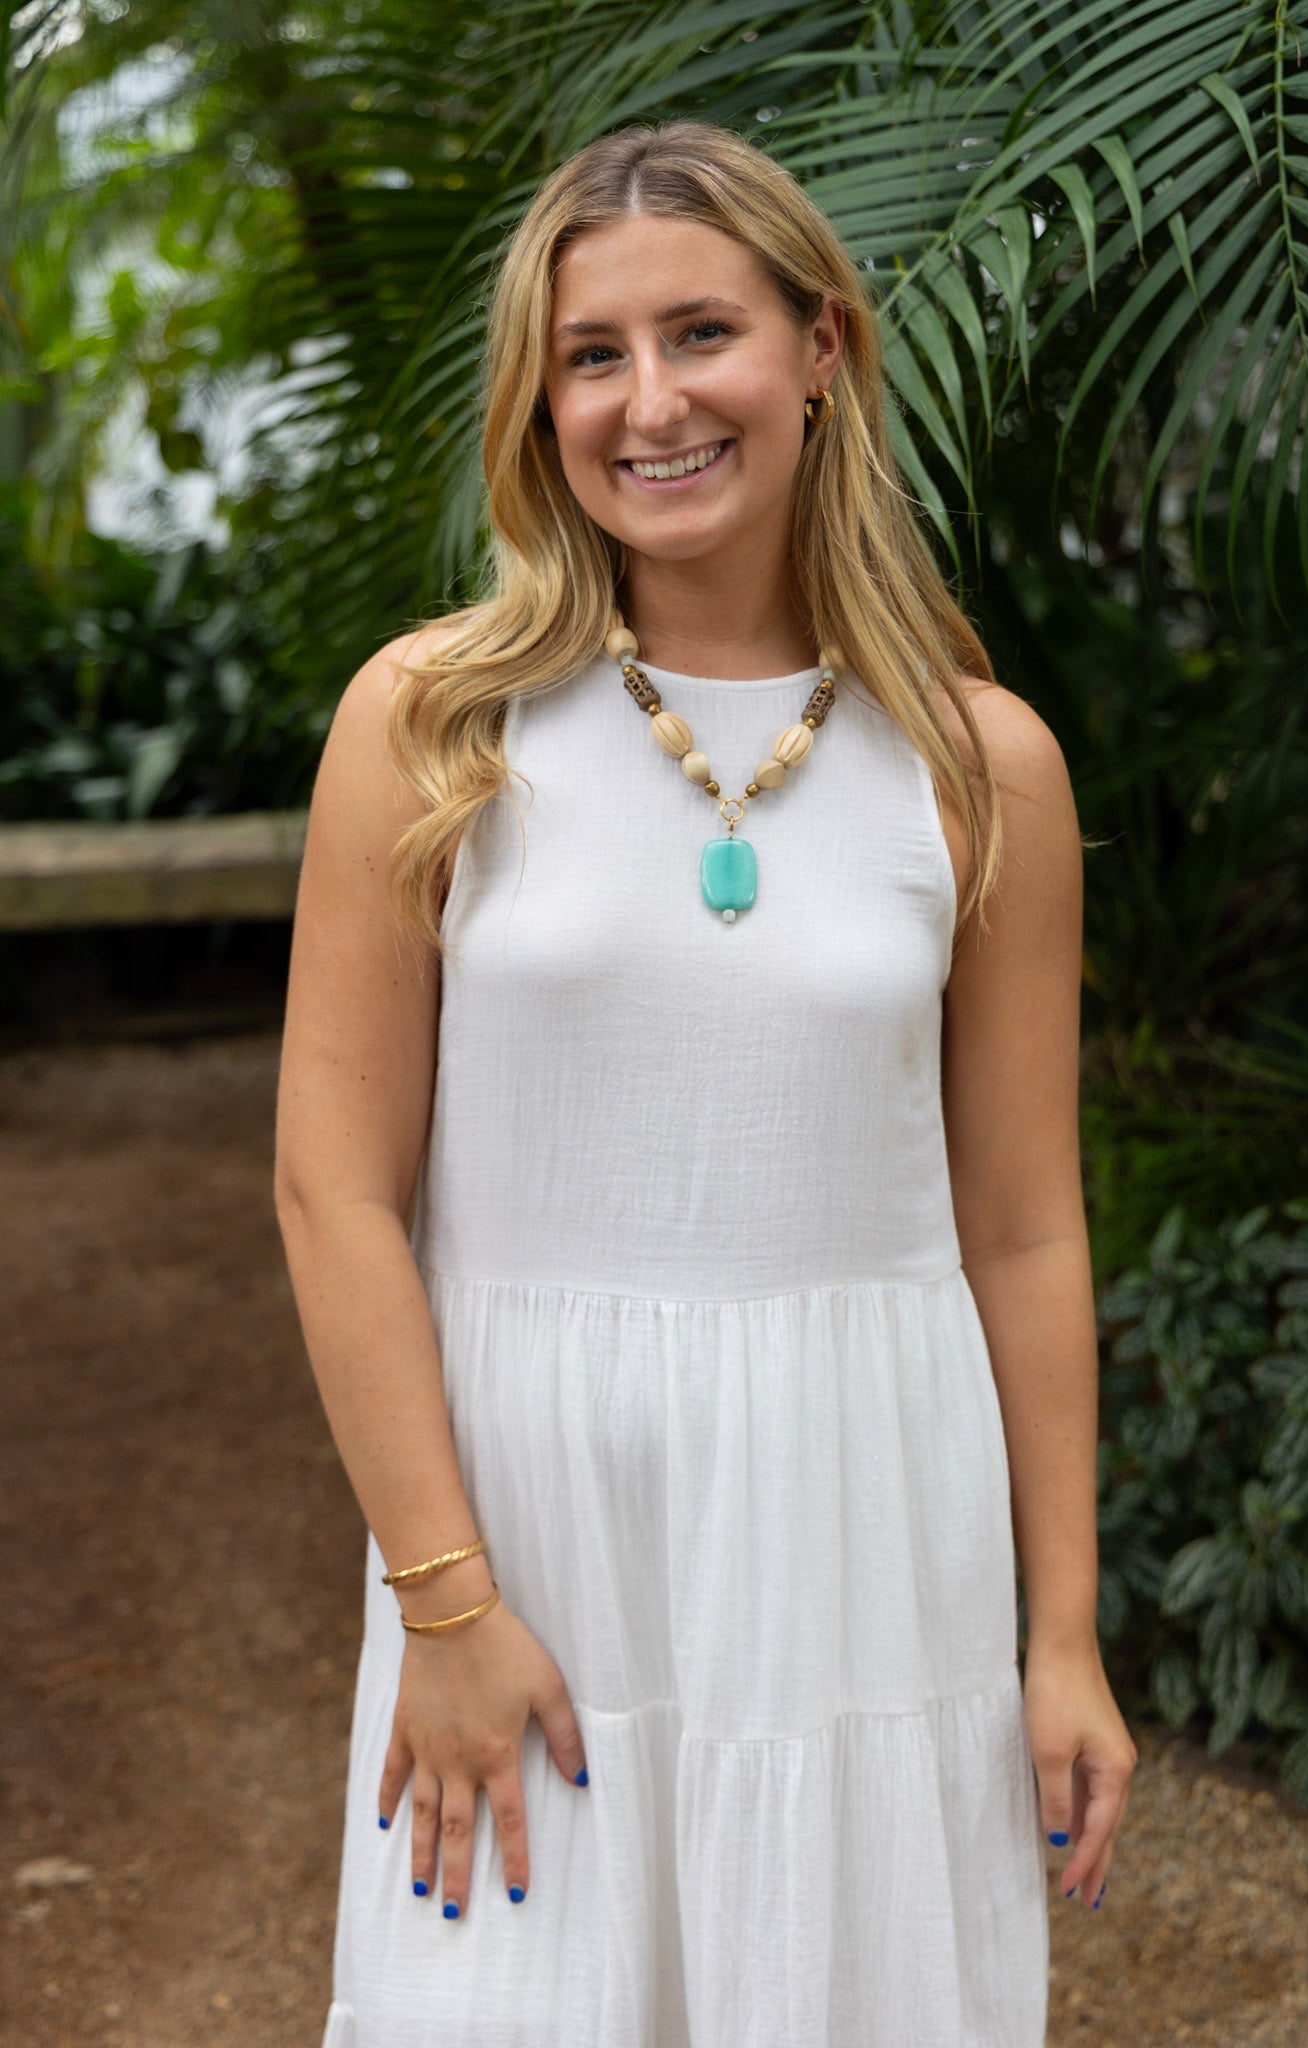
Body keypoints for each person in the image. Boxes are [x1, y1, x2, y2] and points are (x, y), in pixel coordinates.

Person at [274, 118, 1138, 2048]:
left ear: (820, 348)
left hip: (864, 1527)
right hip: (527, 1531)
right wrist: (442, 1601)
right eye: (592, 354)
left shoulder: (977, 767)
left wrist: (1061, 1633)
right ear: (541, 398)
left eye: (700, 334)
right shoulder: (434, 725)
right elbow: (332, 1192)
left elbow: (1020, 1229)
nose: (648, 403)